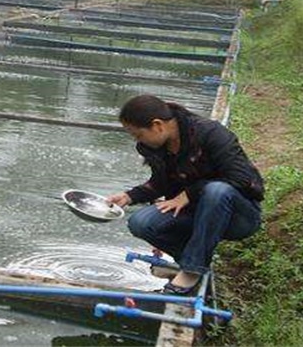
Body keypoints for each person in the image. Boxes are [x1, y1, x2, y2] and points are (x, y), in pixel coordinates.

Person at [107, 95, 263, 294]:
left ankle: (191, 271)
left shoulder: (211, 133)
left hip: (238, 217)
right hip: (196, 214)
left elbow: (241, 178)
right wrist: (130, 196)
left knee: (216, 190)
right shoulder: (153, 147)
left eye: (138, 135)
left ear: (157, 125)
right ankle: (190, 262)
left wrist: (190, 194)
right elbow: (162, 183)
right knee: (141, 222)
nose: (138, 141)